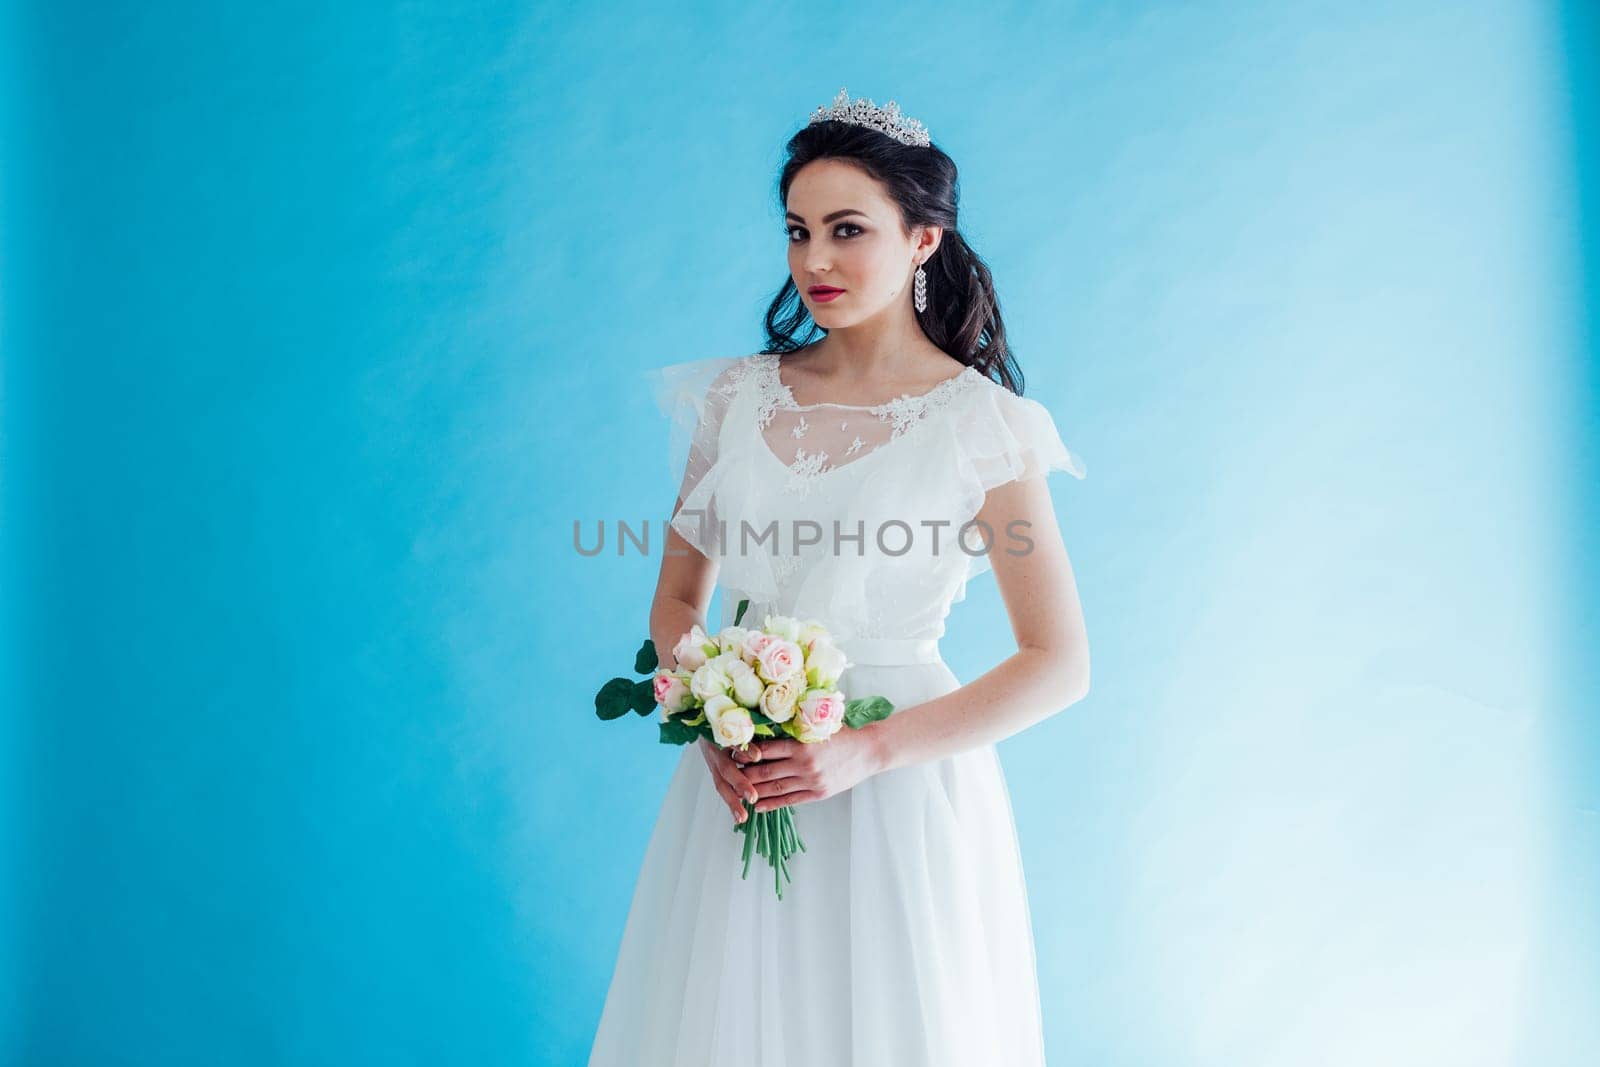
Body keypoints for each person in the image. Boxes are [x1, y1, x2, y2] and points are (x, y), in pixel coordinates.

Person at [589, 87, 1092, 1066]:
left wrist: (863, 753)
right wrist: (710, 713)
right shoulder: (736, 396)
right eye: (797, 230)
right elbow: (678, 597)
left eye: (847, 229)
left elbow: (1058, 661)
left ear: (922, 239)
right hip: (747, 779)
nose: (814, 259)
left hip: (897, 785)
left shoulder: (978, 424)